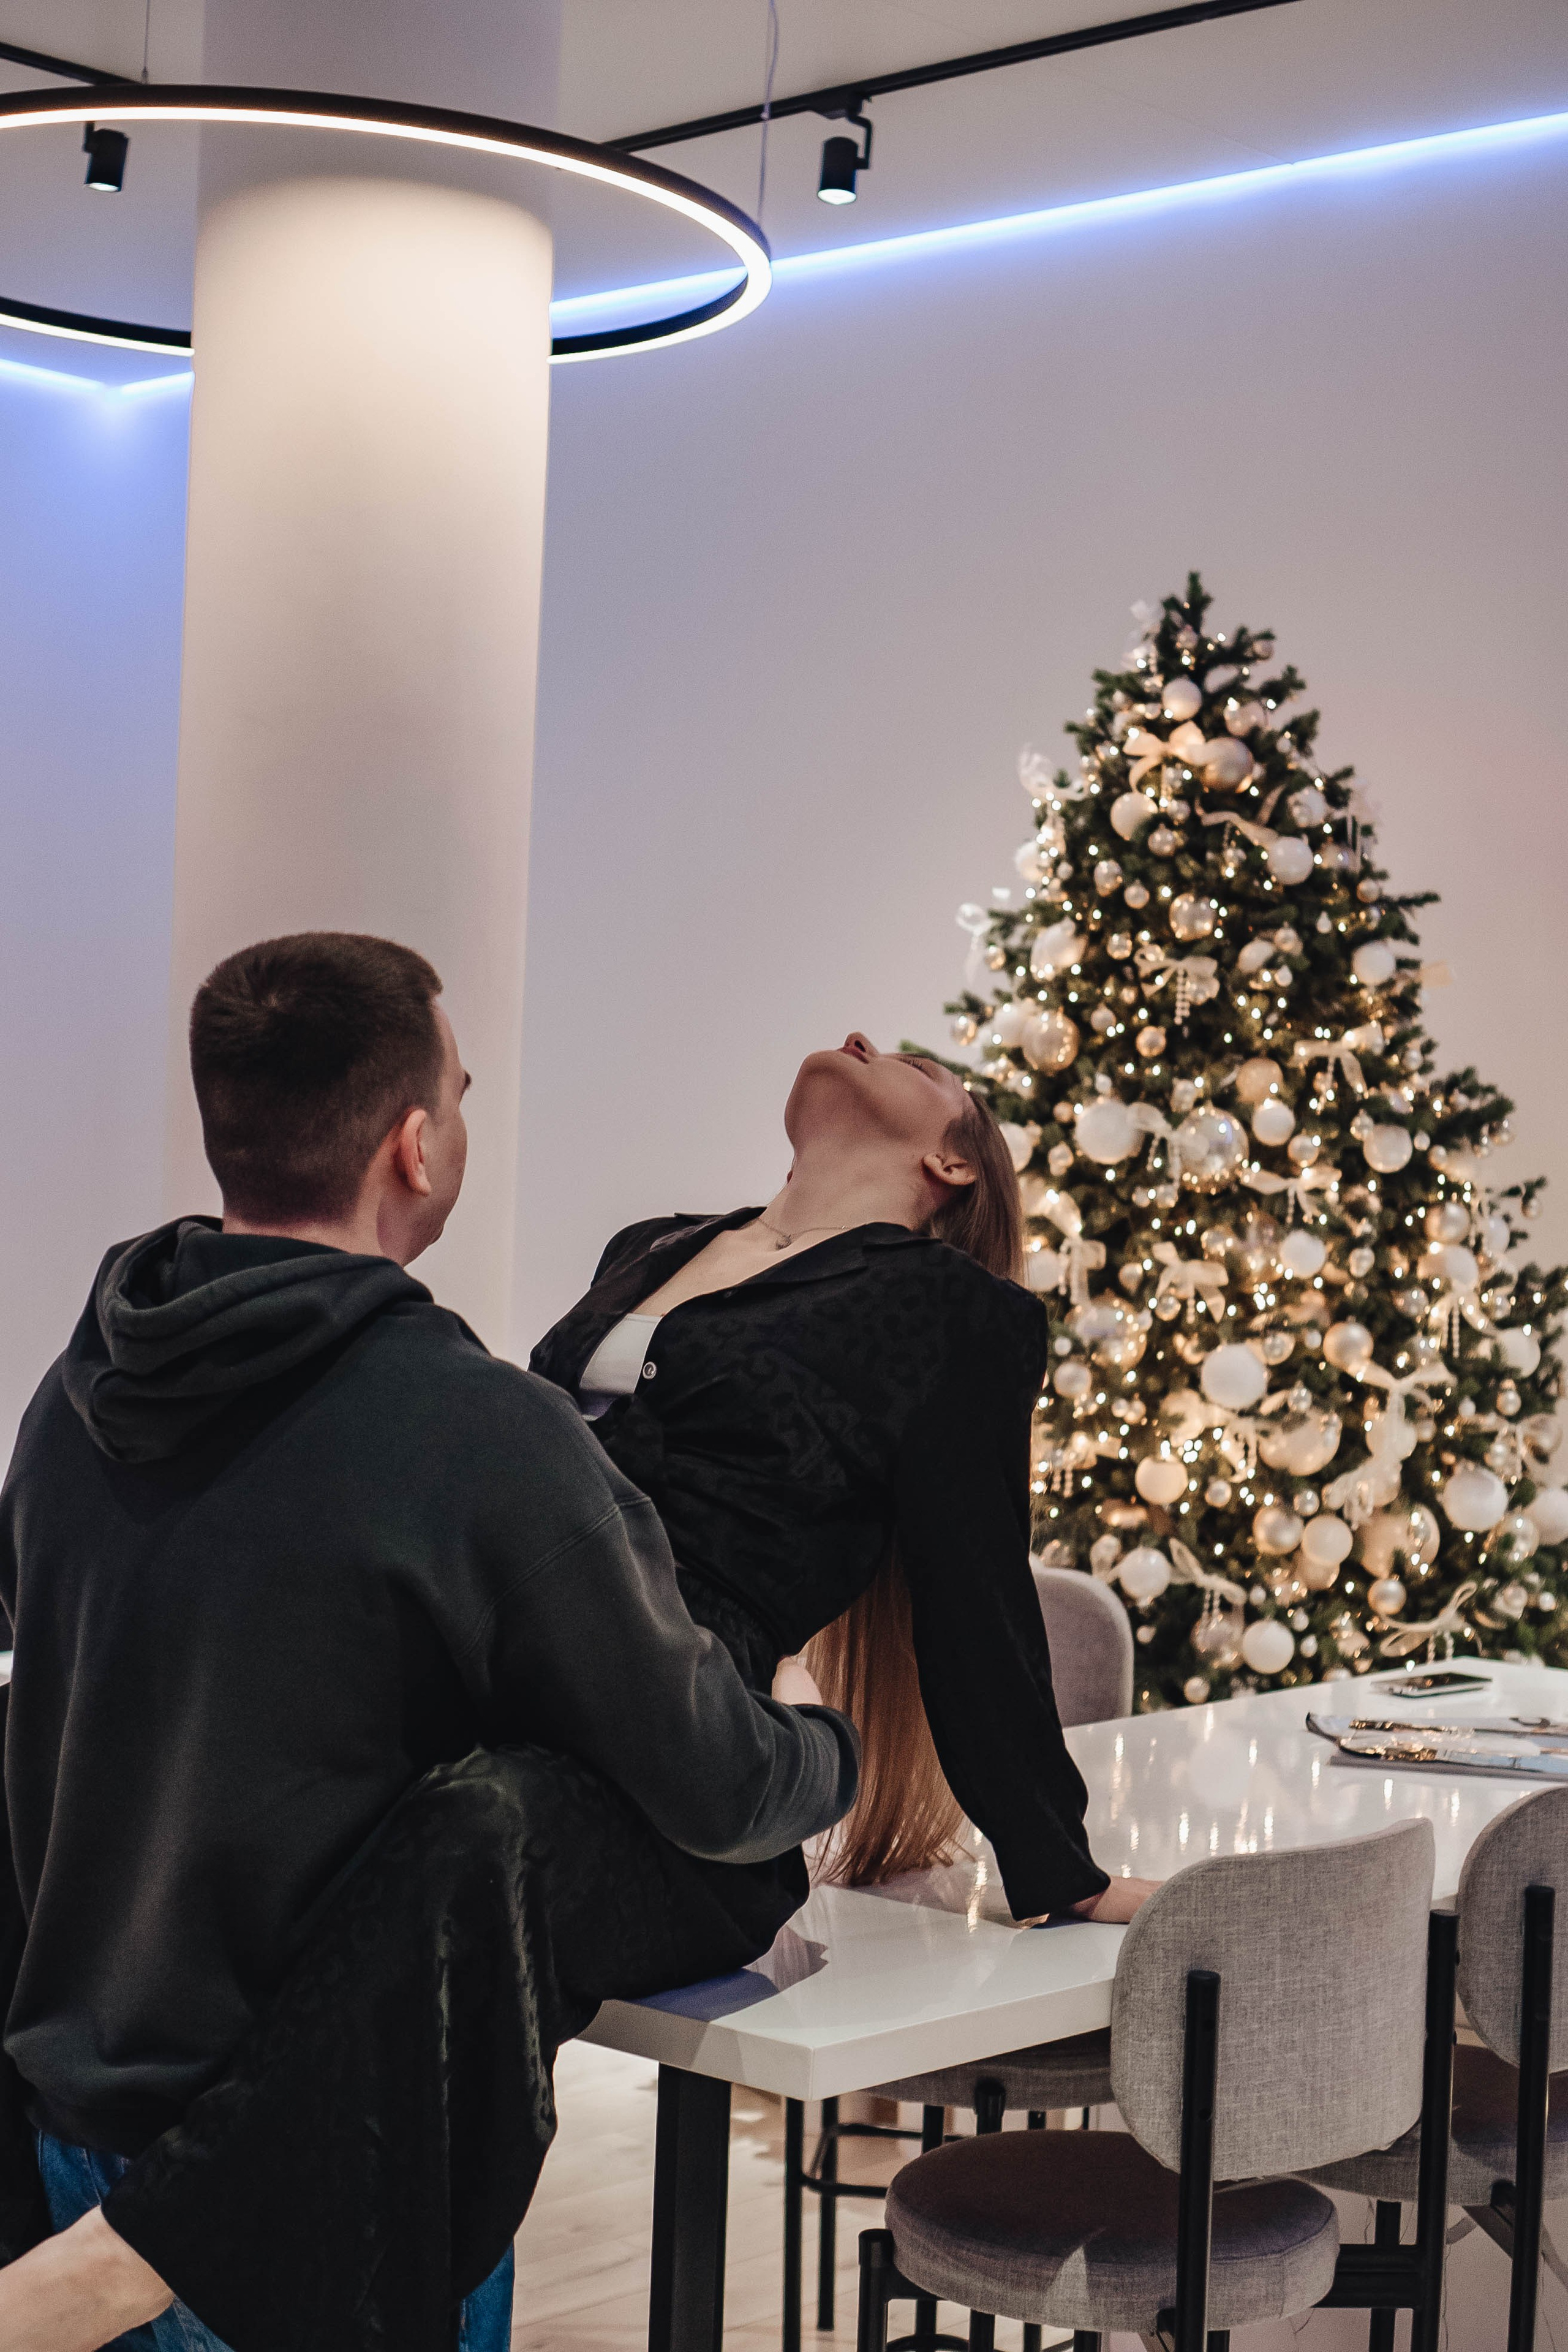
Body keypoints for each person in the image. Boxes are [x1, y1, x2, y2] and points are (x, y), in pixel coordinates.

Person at [0, 934, 859, 2352]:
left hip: (78, 2137)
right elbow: (706, 1779)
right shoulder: (469, 1432)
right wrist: (827, 1744)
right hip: (332, 2156)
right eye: (457, 1095)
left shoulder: (78, 1393)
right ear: (413, 1145)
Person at [528, 1030, 1156, 1929]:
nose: (859, 1039)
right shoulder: (652, 1244)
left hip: (678, 1748)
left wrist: (1057, 1866)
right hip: (506, 1657)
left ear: (952, 1162)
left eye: (921, 1067)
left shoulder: (951, 1311)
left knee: (462, 1830)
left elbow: (974, 1596)